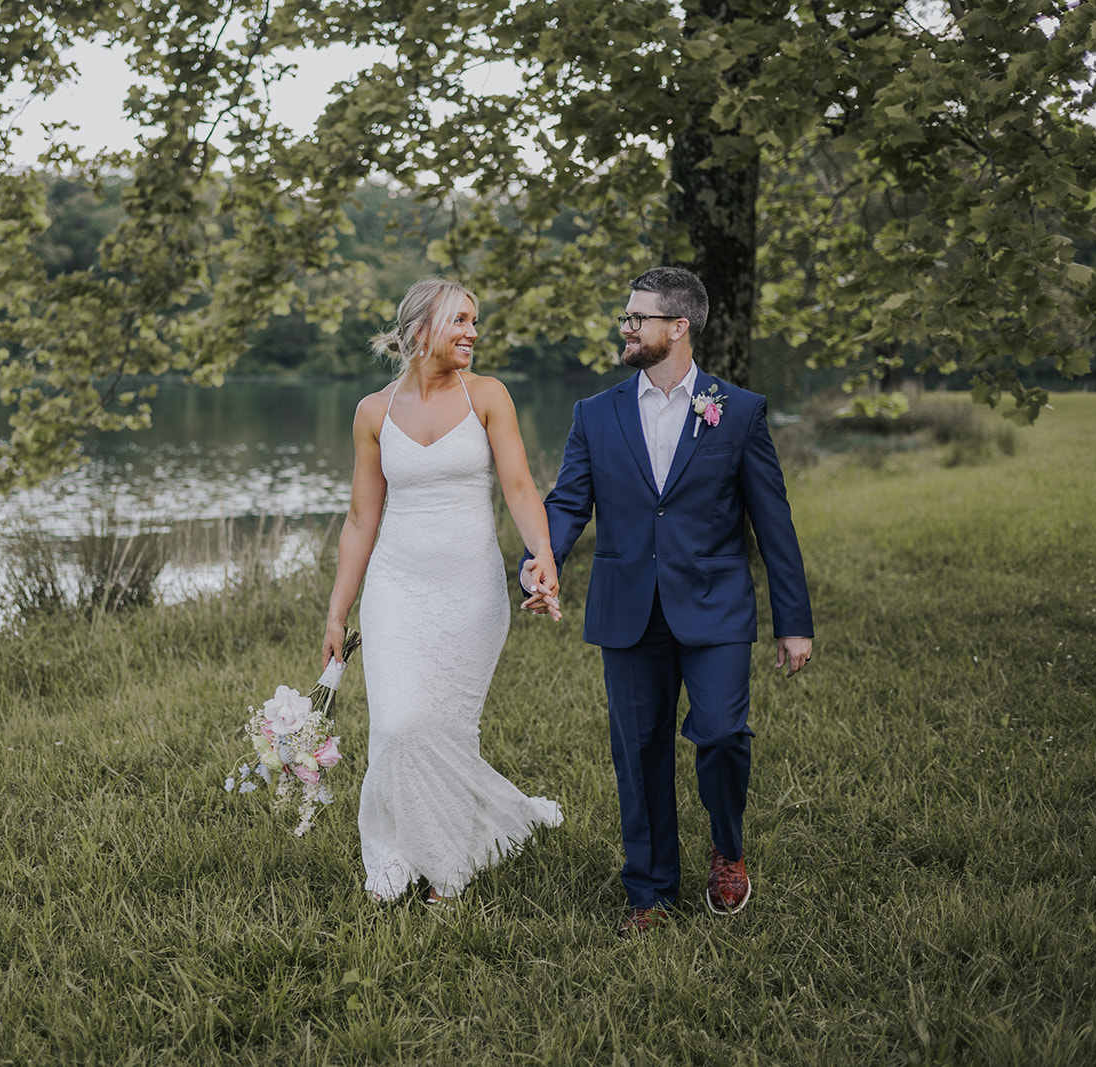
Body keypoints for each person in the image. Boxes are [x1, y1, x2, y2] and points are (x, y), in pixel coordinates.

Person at [521, 267, 813, 939]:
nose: (626, 327)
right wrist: (541, 562)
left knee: (720, 734)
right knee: (640, 748)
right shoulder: (594, 414)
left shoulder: (736, 410)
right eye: (626, 317)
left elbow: (774, 522)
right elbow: (568, 503)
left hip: (715, 606)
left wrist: (792, 621)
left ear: (678, 326)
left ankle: (728, 847)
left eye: (638, 318)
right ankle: (650, 891)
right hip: (628, 607)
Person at [323, 276, 563, 904]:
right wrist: (337, 609)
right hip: (395, 590)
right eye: (460, 321)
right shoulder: (373, 412)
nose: (472, 333)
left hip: (471, 591)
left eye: (474, 321)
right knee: (400, 727)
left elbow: (518, 487)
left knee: (448, 728)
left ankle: (446, 873)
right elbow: (359, 519)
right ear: (419, 331)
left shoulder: (488, 396)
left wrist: (543, 554)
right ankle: (397, 855)